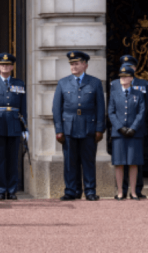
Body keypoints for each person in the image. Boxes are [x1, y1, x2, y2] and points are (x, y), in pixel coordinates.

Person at [52, 50, 105, 201]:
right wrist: (59, 129)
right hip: (69, 128)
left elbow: (100, 107)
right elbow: (56, 108)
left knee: (88, 161)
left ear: (85, 65)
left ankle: (90, 191)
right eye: (71, 64)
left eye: (76, 63)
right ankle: (71, 190)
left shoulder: (95, 82)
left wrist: (100, 128)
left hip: (89, 127)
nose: (73, 66)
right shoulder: (63, 82)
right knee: (70, 162)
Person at [0, 53, 26, 200]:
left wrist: (25, 128)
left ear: (12, 67)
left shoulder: (19, 83)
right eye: (2, 65)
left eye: (8, 65)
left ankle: (12, 190)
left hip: (14, 125)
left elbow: (23, 107)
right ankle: (1, 190)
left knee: (13, 160)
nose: (5, 67)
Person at [112, 55, 148, 199]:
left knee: (135, 162)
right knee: (120, 162)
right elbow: (111, 110)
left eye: (129, 68)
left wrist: (134, 127)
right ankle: (121, 190)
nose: (125, 71)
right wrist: (119, 127)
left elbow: (145, 108)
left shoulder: (143, 84)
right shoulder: (114, 85)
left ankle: (136, 190)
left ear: (134, 69)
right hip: (120, 131)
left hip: (137, 129)